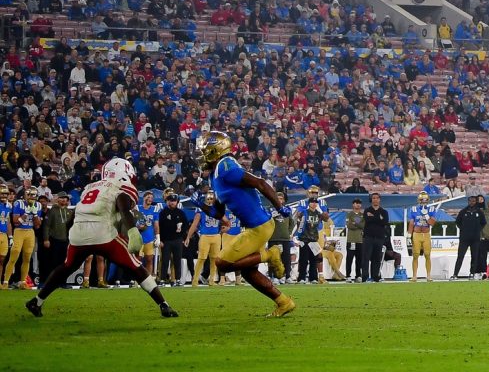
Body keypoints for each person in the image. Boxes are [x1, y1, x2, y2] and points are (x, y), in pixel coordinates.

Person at [25, 159, 177, 320]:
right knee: (136, 267)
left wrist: (71, 234)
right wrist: (132, 231)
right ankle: (163, 305)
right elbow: (123, 204)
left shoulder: (90, 187)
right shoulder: (122, 185)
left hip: (78, 231)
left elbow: (76, 212)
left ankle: (37, 300)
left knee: (67, 266)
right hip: (102, 232)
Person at [201, 132, 296, 316]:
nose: (203, 154)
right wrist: (204, 207)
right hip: (254, 227)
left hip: (258, 227)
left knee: (221, 263)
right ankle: (284, 302)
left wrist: (279, 205)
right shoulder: (215, 175)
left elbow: (259, 183)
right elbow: (219, 213)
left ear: (214, 150)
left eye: (205, 150)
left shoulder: (225, 166)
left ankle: (269, 255)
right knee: (247, 272)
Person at [157, 193, 190, 285]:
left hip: (177, 240)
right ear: (167, 201)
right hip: (166, 241)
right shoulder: (163, 213)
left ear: (177, 202)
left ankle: (177, 279)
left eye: (174, 201)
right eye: (170, 201)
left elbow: (186, 225)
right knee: (165, 260)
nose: (172, 203)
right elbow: (159, 226)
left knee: (177, 260)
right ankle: (162, 279)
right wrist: (160, 240)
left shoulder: (180, 213)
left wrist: (182, 236)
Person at [295, 197, 327, 283]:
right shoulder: (304, 212)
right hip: (305, 239)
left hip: (314, 240)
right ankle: (301, 278)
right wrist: (299, 237)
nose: (314, 203)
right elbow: (300, 224)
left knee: (314, 260)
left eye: (315, 202)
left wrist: (321, 211)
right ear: (308, 203)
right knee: (303, 260)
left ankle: (313, 278)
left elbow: (326, 218)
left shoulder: (318, 213)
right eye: (312, 202)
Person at [453, 195, 485, 278]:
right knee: (460, 256)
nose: (472, 202)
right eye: (470, 201)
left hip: (475, 239)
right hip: (464, 239)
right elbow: (457, 222)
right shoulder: (463, 211)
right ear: (468, 201)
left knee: (474, 256)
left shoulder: (479, 212)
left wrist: (477, 230)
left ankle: (472, 273)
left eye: (474, 201)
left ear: (476, 202)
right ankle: (455, 274)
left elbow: (483, 223)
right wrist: (464, 230)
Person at [363, 194, 391, 282]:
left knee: (377, 258)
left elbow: (385, 222)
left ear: (379, 200)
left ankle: (375, 276)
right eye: (373, 198)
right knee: (366, 258)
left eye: (377, 198)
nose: (375, 200)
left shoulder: (384, 211)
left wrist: (373, 217)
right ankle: (365, 277)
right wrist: (378, 218)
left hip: (379, 237)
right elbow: (367, 220)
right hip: (368, 237)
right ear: (371, 200)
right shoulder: (367, 210)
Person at [407, 200, 434, 281]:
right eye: (422, 201)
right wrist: (409, 234)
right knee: (415, 255)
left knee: (427, 254)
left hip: (426, 234)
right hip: (416, 234)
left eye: (425, 201)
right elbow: (411, 222)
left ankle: (428, 275)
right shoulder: (414, 209)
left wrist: (426, 215)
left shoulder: (431, 209)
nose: (423, 202)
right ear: (419, 201)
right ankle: (414, 275)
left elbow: (432, 223)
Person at [344, 199, 365, 281]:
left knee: (359, 259)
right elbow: (349, 225)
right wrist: (358, 224)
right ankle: (348, 275)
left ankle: (358, 275)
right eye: (356, 203)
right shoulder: (349, 214)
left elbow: (363, 226)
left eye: (359, 203)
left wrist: (355, 223)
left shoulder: (362, 215)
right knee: (349, 259)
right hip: (351, 240)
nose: (358, 205)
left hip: (360, 240)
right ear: (353, 204)